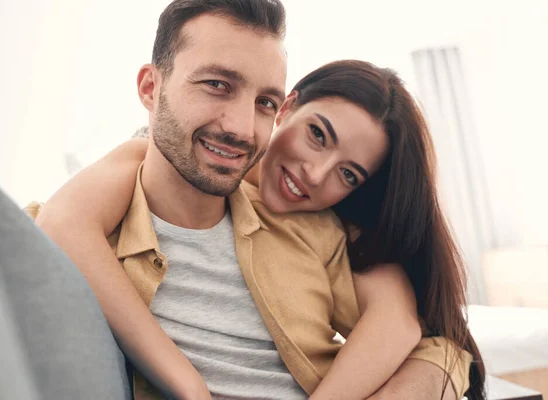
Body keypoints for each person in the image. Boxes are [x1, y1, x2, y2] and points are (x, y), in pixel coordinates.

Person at [30, 1, 485, 400]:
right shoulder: (116, 193)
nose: (241, 127)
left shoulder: (320, 230)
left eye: (263, 102)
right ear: (150, 89)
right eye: (217, 84)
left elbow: (420, 338)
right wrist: (188, 387)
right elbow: (59, 223)